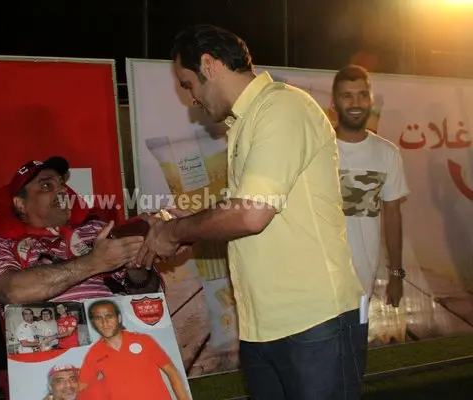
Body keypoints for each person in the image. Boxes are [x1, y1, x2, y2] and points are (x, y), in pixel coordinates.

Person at [135, 24, 368, 399]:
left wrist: (176, 232)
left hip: (314, 322)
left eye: (188, 84)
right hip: (262, 327)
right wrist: (186, 226)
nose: (191, 98)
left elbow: (250, 214)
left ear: (209, 65)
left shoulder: (281, 107)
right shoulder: (244, 122)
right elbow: (241, 210)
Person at [0, 156, 161, 317]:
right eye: (46, 185)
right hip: (48, 340)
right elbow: (12, 292)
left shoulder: (98, 230)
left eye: (62, 184)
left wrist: (137, 271)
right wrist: (93, 262)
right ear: (20, 204)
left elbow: (149, 294)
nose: (62, 191)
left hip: (121, 331)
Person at [331, 65, 409, 307]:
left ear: (371, 100)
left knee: (357, 333)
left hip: (363, 277)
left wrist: (396, 274)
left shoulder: (387, 153)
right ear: (334, 103)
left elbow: (393, 215)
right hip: (317, 277)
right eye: (347, 96)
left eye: (362, 95)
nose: (356, 103)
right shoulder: (316, 147)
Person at [78, 299, 190, 400]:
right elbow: (81, 388)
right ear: (93, 322)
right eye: (98, 318)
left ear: (119, 318)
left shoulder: (144, 340)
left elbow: (172, 372)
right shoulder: (94, 353)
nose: (104, 322)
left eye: (109, 316)